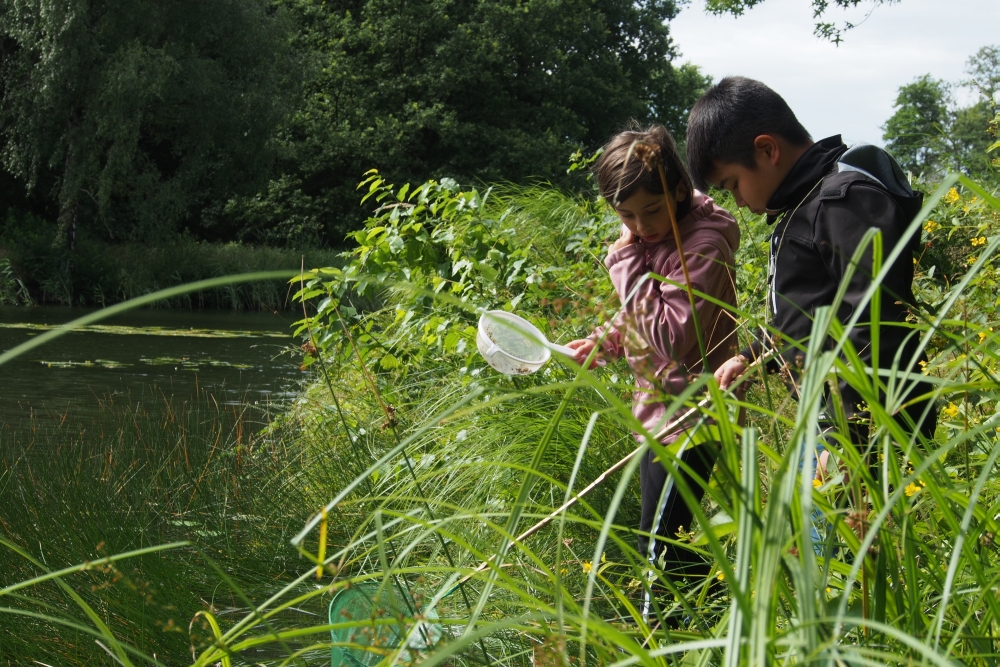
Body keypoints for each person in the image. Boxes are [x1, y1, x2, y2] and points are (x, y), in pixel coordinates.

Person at [685, 76, 937, 481]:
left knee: (834, 544)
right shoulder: (804, 205)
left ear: (767, 149)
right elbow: (810, 319)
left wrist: (845, 437)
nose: (739, 201)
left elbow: (877, 322)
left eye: (733, 184)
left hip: (866, 424)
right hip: (831, 418)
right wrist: (749, 358)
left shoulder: (844, 200)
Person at [566, 124, 740, 621]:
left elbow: (666, 333)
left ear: (680, 191)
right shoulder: (658, 242)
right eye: (627, 216)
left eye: (652, 210)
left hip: (696, 414)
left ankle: (666, 641)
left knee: (657, 545)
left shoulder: (701, 245)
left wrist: (623, 258)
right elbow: (642, 315)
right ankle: (725, 624)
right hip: (660, 412)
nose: (641, 226)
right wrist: (605, 343)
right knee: (671, 539)